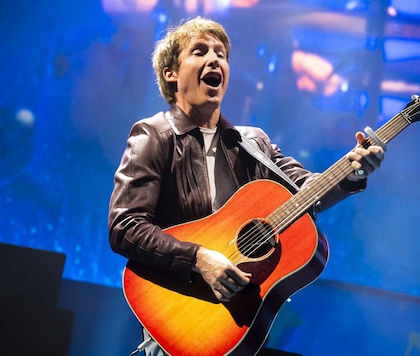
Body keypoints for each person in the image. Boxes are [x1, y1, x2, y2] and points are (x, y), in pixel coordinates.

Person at [107, 16, 385, 356]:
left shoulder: (253, 142)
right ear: (171, 74)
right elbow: (125, 227)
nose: (215, 60)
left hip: (238, 327)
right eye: (200, 51)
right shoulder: (154, 135)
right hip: (181, 319)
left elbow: (307, 191)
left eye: (221, 54)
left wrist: (352, 172)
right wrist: (198, 258)